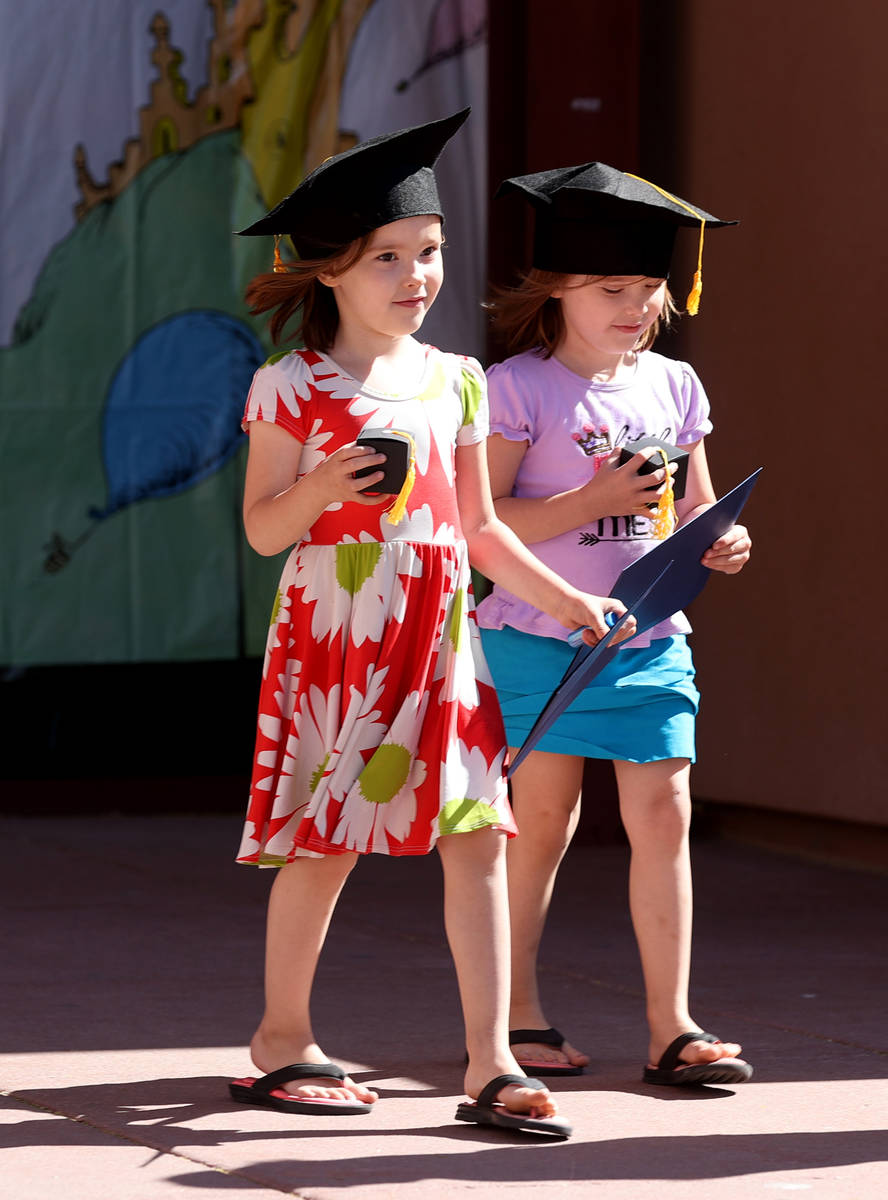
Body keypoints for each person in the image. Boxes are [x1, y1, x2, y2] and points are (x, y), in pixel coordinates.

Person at [226, 114, 633, 1137]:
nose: (417, 276)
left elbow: (481, 529)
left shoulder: (456, 378)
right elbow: (268, 533)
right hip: (338, 641)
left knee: (478, 839)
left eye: (431, 253)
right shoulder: (289, 385)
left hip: (441, 643)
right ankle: (281, 1037)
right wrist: (321, 480)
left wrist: (567, 600)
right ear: (329, 272)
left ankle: (490, 1061)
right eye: (389, 259)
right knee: (323, 843)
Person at [476, 163, 755, 1087]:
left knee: (664, 816)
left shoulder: (676, 386)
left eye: (648, 290)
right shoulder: (515, 388)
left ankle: (671, 1025)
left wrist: (723, 543)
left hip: (646, 641)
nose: (635, 307)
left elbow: (694, 513)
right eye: (612, 290)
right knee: (544, 823)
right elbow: (491, 522)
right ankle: (517, 1015)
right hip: (535, 634)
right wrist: (591, 498)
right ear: (555, 288)